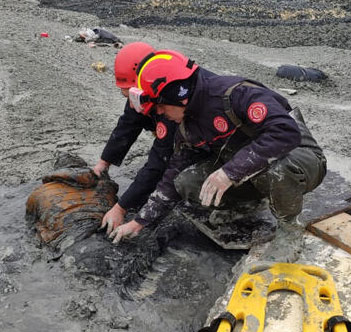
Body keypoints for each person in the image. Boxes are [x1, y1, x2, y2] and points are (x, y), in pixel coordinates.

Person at [109, 50, 326, 254]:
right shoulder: (188, 124)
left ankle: (289, 231)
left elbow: (286, 132)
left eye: (161, 107)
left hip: (300, 159)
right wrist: (138, 222)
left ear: (178, 97)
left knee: (275, 169)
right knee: (187, 181)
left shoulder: (235, 94)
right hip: (252, 170)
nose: (161, 114)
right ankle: (250, 203)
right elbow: (172, 174)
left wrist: (229, 173)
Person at [93, 42, 178, 236]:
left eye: (133, 92)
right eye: (128, 93)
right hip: (167, 128)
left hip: (216, 145)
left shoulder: (171, 103)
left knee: (178, 175)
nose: (131, 99)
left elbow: (159, 161)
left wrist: (121, 207)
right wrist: (103, 164)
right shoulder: (138, 94)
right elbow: (127, 125)